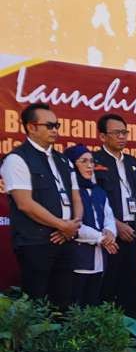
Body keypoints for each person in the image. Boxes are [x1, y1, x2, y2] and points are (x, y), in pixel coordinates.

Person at [0, 103, 82, 308]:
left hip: (66, 239)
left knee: (64, 303)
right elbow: (25, 204)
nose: (55, 130)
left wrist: (72, 226)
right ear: (31, 127)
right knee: (38, 305)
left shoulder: (63, 160)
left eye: (57, 125)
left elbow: (76, 198)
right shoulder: (17, 159)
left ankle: (60, 342)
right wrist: (62, 225)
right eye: (49, 125)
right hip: (36, 243)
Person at [94, 113, 136, 317]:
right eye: (117, 133)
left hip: (134, 229)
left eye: (124, 132)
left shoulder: (132, 161)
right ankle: (107, 333)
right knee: (107, 283)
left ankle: (130, 336)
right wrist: (116, 224)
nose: (122, 137)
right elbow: (95, 200)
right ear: (103, 136)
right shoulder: (95, 161)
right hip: (109, 233)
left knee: (130, 284)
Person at [64, 145, 118, 307]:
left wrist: (110, 232)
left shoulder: (98, 191)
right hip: (78, 258)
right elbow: (72, 224)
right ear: (72, 165)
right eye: (83, 161)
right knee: (75, 304)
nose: (89, 166)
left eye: (91, 161)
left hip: (100, 258)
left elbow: (108, 216)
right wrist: (100, 238)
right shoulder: (69, 192)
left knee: (93, 302)